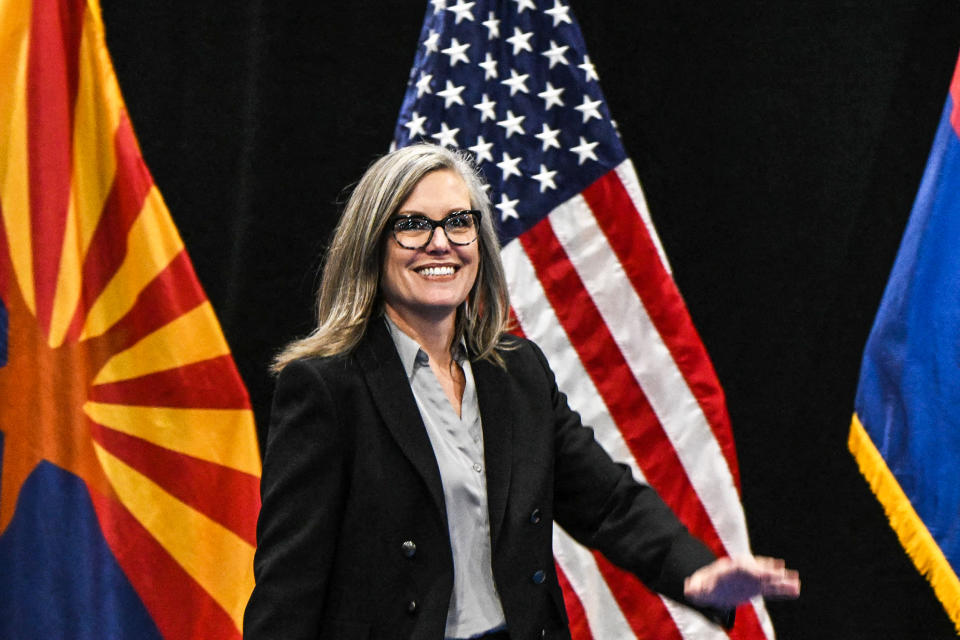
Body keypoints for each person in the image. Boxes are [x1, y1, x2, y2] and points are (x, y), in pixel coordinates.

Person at [243, 144, 799, 640]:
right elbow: (290, 582)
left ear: (479, 242)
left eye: (459, 222)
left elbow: (606, 500)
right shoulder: (326, 387)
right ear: (372, 245)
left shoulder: (517, 371)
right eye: (413, 224)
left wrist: (692, 571)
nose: (441, 244)